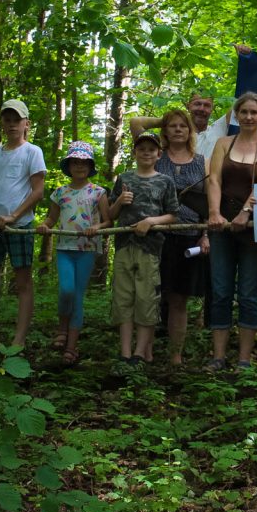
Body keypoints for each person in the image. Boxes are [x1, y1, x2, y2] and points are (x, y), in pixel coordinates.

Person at [206, 91, 257, 370]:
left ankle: (244, 360)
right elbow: (213, 179)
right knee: (221, 290)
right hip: (221, 225)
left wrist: (244, 213)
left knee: (249, 292)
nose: (249, 117)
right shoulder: (224, 143)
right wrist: (214, 213)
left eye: (254, 112)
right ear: (236, 115)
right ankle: (218, 357)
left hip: (254, 227)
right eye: (244, 112)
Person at [0, 99, 46, 350]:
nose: (12, 124)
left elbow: (38, 192)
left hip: (19, 226)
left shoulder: (32, 152)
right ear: (2, 123)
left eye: (17, 120)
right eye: (8, 120)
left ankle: (19, 339)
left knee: (23, 283)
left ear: (27, 123)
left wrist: (14, 215)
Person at [108, 132, 179, 372]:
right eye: (142, 149)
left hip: (151, 248)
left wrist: (151, 220)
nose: (146, 153)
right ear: (135, 152)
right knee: (124, 298)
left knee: (147, 298)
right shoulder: (124, 179)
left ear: (159, 154)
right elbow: (110, 214)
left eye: (151, 149)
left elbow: (172, 214)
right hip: (124, 245)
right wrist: (120, 201)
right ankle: (125, 352)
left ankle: (140, 353)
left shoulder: (165, 181)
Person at [36, 141, 111, 365]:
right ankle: (61, 328)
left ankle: (71, 345)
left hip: (87, 250)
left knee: (77, 296)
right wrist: (44, 225)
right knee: (66, 290)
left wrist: (96, 227)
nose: (79, 166)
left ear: (90, 166)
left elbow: (108, 221)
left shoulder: (98, 192)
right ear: (68, 166)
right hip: (64, 248)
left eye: (84, 163)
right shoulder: (60, 192)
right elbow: (51, 218)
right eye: (75, 162)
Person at [150, 109, 208, 365]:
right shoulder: (155, 158)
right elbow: (136, 125)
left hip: (189, 235)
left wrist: (205, 234)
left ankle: (176, 354)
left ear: (189, 131)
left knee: (179, 298)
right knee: (152, 295)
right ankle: (146, 350)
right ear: (164, 130)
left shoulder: (200, 161)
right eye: (171, 126)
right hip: (157, 235)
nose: (177, 130)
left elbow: (208, 202)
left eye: (182, 126)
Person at [130, 91, 231, 163]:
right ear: (188, 106)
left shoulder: (218, 129)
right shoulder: (175, 136)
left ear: (212, 109)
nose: (201, 108)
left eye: (207, 105)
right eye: (197, 104)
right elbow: (136, 123)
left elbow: (242, 105)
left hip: (207, 189)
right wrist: (170, 120)